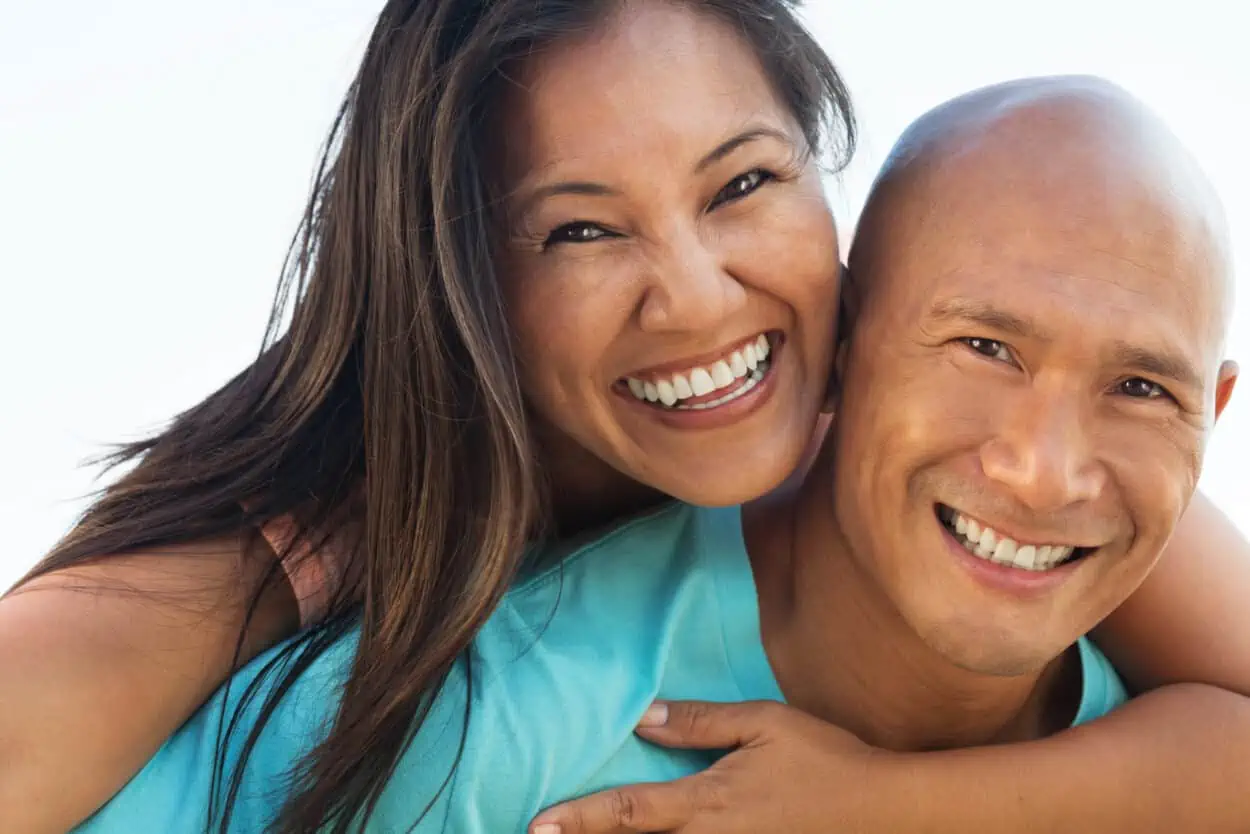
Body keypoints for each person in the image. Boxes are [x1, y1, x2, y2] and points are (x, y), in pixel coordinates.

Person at [1, 1, 1246, 832]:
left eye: (744, 182)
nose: (701, 301)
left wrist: (882, 804)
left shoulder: (1016, 445)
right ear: (469, 286)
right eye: (581, 229)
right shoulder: (337, 547)